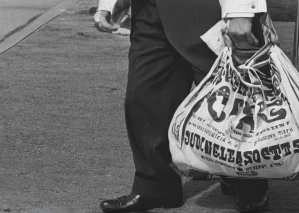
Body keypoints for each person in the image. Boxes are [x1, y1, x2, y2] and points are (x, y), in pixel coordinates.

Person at [94, 0, 270, 212]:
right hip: (149, 9)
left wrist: (241, 10)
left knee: (233, 99)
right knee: (145, 97)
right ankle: (154, 185)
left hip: (206, 7)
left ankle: (249, 183)